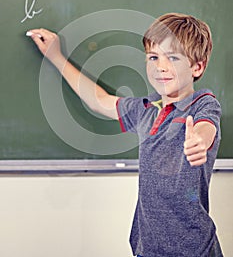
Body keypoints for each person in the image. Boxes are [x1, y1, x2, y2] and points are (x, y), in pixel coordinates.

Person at [27, 13, 223, 257]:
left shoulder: (202, 104)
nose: (160, 66)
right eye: (153, 57)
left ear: (197, 66)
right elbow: (100, 101)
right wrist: (55, 56)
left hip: (194, 249)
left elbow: (207, 127)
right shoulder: (146, 110)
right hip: (147, 248)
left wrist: (200, 142)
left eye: (172, 58)